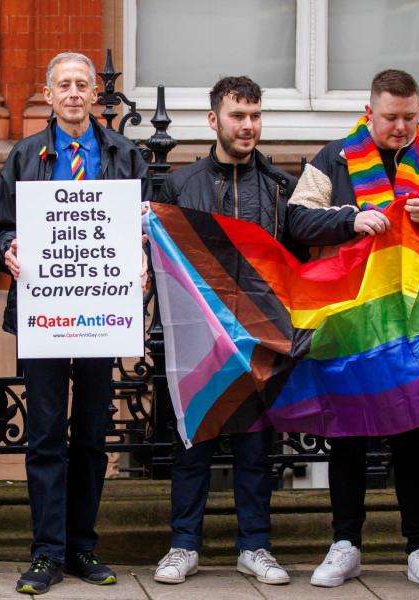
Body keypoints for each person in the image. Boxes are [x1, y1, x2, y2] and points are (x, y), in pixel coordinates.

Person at [286, 69, 419, 595]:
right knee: (346, 433)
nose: (401, 128)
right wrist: (350, 220)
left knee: (413, 436)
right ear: (368, 111)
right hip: (350, 319)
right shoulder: (332, 158)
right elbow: (296, 222)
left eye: (410, 117)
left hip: (415, 324)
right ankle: (345, 544)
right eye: (391, 117)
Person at [0, 51, 150, 595]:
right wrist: (7, 249)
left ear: (92, 95)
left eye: (83, 84)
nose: (76, 93)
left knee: (92, 436)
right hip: (45, 312)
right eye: (65, 85)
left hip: (103, 311)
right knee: (45, 434)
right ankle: (45, 552)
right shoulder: (25, 155)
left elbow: (148, 226)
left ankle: (82, 545)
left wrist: (146, 256)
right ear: (49, 94)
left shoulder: (124, 154)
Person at [153, 75, 295, 587]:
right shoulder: (181, 184)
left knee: (256, 450)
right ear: (214, 120)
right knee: (193, 444)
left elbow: (295, 258)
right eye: (238, 116)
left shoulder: (281, 187)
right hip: (200, 338)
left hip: (259, 338)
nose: (249, 126)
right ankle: (183, 545)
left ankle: (254, 546)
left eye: (255, 115)